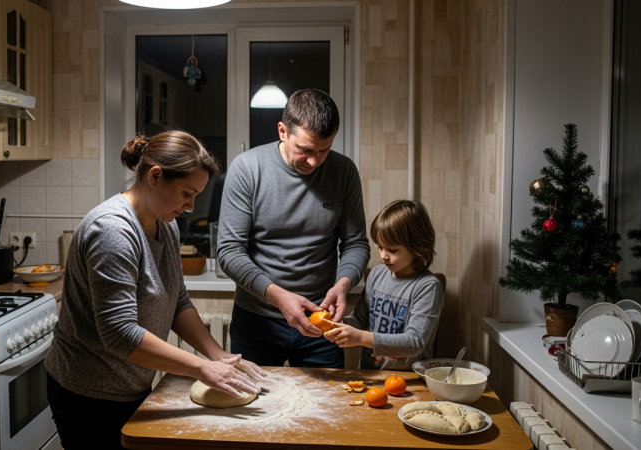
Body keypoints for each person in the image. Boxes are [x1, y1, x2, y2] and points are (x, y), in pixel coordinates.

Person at [45, 131, 266, 450]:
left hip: (131, 384)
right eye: (187, 194)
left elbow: (177, 300)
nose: (191, 207)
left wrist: (218, 354)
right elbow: (119, 332)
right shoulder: (112, 231)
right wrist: (202, 367)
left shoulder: (166, 224)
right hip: (87, 394)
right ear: (155, 176)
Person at [218, 89, 370, 368]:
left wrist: (344, 283)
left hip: (321, 322)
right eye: (306, 150)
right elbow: (229, 252)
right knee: (256, 405)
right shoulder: (247, 168)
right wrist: (277, 296)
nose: (314, 161)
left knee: (325, 409)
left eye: (324, 150)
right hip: (257, 321)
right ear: (282, 132)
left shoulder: (344, 171)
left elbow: (356, 244)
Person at [324, 200, 444, 370]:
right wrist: (337, 324)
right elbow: (361, 318)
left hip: (407, 380)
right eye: (380, 247)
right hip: (371, 375)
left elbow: (415, 342)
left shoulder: (428, 287)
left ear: (418, 246)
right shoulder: (377, 274)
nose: (383, 256)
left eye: (392, 250)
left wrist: (360, 337)